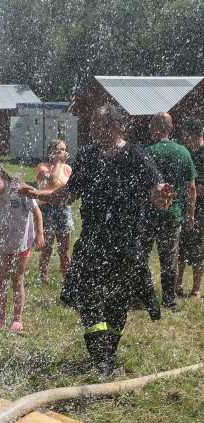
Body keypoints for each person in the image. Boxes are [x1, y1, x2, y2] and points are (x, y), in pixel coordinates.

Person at [18, 104, 175, 375]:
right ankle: (100, 352)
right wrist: (38, 194)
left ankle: (106, 355)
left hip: (127, 244)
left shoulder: (137, 156)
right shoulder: (88, 156)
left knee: (117, 301)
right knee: (85, 295)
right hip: (92, 240)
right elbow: (69, 193)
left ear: (114, 127)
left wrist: (163, 195)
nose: (90, 129)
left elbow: (157, 196)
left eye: (96, 125)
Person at [0, 164, 45, 331]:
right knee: (1, 280)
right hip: (2, 242)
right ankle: (0, 316)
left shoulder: (18, 189)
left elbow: (36, 212)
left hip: (21, 241)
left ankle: (17, 318)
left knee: (17, 279)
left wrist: (40, 234)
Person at [142, 112, 197, 311]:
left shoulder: (144, 151)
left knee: (142, 257)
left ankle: (142, 297)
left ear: (152, 128)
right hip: (172, 215)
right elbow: (191, 187)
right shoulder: (183, 152)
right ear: (171, 129)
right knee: (169, 260)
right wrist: (190, 215)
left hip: (146, 215)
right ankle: (169, 300)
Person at [35, 139, 73, 283]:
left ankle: (67, 279)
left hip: (64, 208)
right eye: (58, 150)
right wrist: (58, 162)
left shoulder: (68, 168)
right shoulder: (42, 167)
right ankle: (43, 278)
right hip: (47, 208)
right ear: (51, 152)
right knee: (47, 247)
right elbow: (52, 181)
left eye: (64, 149)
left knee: (64, 249)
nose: (62, 152)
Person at [177, 118, 204, 299]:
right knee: (180, 246)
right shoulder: (186, 152)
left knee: (198, 249)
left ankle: (196, 288)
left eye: (185, 134)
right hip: (183, 205)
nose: (184, 137)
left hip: (201, 208)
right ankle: (177, 284)